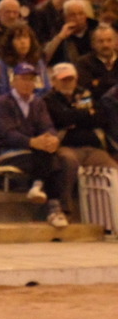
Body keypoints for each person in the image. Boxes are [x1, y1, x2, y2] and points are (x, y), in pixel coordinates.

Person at [0, 62, 71, 228]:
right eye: (23, 79)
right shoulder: (3, 102)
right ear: (13, 81)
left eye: (31, 79)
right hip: (10, 151)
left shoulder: (38, 103)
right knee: (53, 162)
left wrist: (52, 139)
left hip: (36, 151)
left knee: (51, 153)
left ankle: (39, 188)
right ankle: (54, 207)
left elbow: (47, 126)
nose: (28, 83)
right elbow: (7, 133)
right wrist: (31, 142)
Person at [44, 62, 118, 214]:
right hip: (66, 146)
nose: (67, 83)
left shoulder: (84, 94)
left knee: (113, 168)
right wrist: (84, 114)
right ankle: (64, 208)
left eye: (70, 79)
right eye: (63, 79)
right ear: (54, 81)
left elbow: (99, 118)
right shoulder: (48, 99)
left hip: (91, 148)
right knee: (68, 162)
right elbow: (61, 118)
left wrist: (73, 117)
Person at [0, 22, 50, 97]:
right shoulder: (3, 64)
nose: (23, 42)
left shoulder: (38, 62)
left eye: (25, 37)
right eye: (18, 38)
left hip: (38, 101)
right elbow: (3, 90)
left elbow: (46, 89)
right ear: (10, 43)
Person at [45, 0, 97, 66]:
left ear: (85, 16)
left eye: (81, 14)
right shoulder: (58, 31)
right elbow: (44, 58)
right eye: (73, 15)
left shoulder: (95, 29)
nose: (78, 18)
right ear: (65, 18)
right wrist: (60, 37)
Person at [76, 25, 118, 104]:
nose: (105, 45)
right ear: (93, 44)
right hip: (96, 105)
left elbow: (97, 86)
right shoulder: (84, 63)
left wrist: (100, 82)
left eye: (109, 40)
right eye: (100, 41)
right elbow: (86, 89)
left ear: (116, 42)